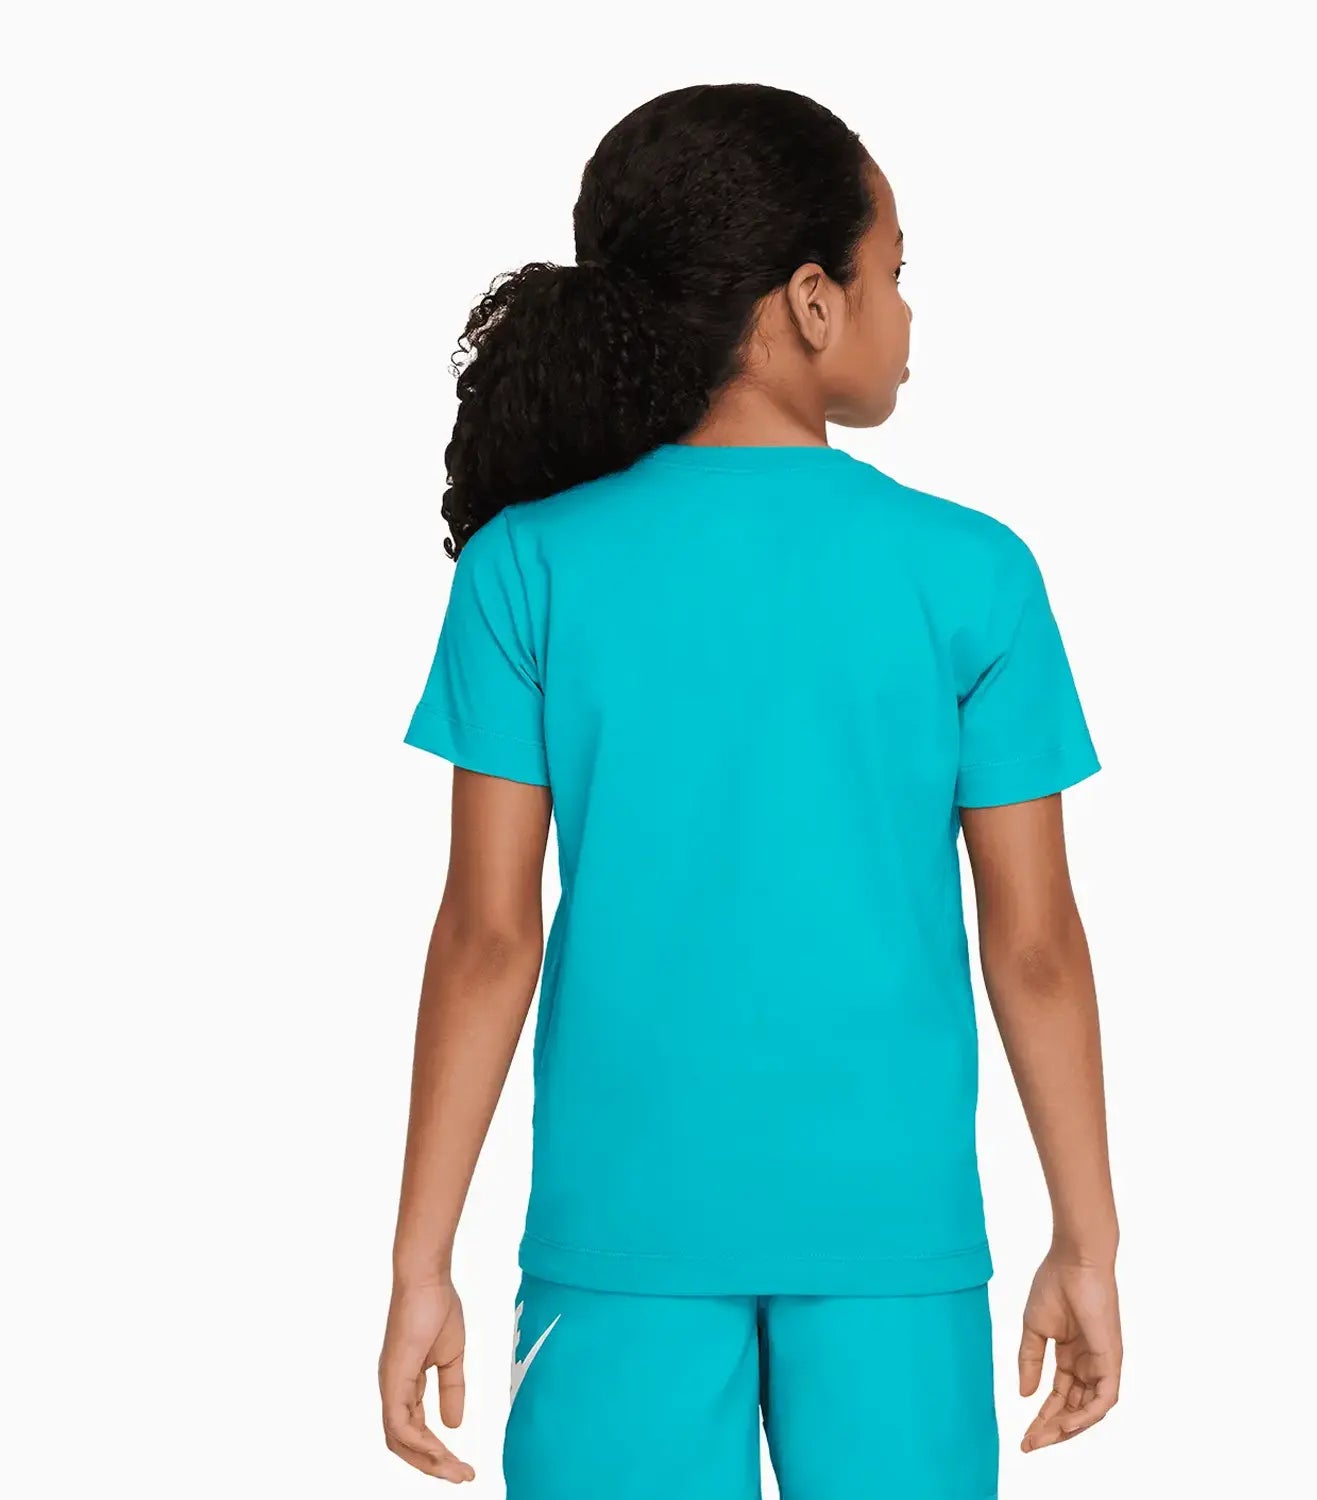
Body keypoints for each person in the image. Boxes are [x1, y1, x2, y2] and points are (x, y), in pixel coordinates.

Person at [380, 82, 1121, 1498]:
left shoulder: (527, 568)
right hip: (894, 1244)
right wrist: (1086, 1243)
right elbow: (1032, 944)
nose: (908, 310)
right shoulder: (973, 573)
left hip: (619, 1241)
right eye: (895, 270)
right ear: (812, 302)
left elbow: (487, 937)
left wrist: (422, 1261)